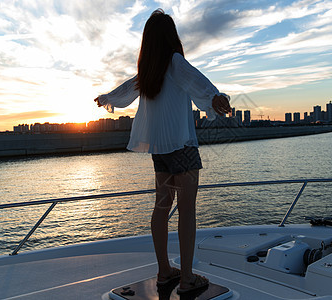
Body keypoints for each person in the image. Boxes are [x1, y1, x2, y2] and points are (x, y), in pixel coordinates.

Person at [94, 9, 231, 294]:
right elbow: (197, 81)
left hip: (161, 151)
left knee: (161, 207)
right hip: (182, 145)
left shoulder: (149, 70)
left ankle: (165, 271)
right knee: (187, 211)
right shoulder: (174, 62)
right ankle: (187, 278)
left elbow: (127, 89)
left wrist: (109, 98)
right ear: (172, 37)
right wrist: (216, 97)